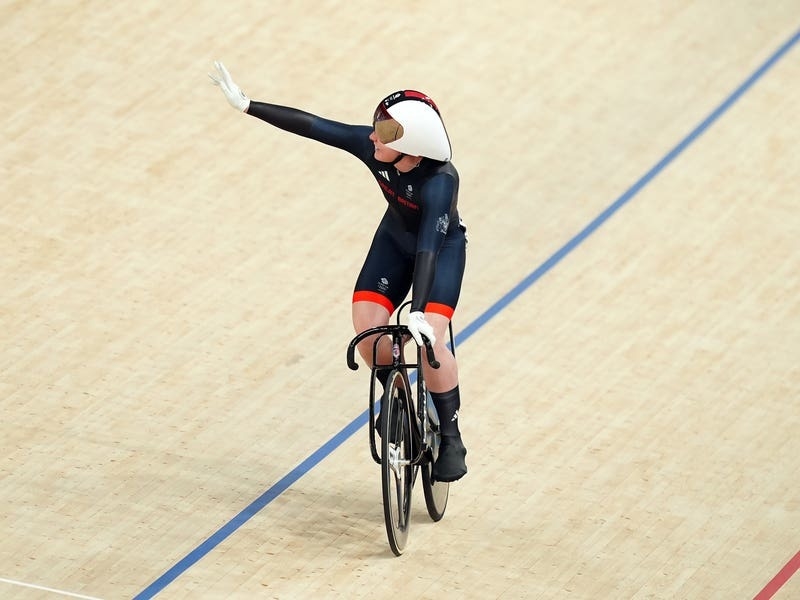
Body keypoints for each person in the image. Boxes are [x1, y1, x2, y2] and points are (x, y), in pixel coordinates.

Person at [209, 61, 468, 482]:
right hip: (393, 240)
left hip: (438, 252)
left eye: (384, 133)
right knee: (368, 336)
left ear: (413, 146)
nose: (371, 136)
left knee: (430, 343)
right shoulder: (376, 150)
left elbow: (428, 249)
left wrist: (418, 310)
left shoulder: (440, 182)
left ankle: (452, 435)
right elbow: (315, 126)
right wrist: (248, 105)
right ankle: (397, 393)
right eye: (376, 126)